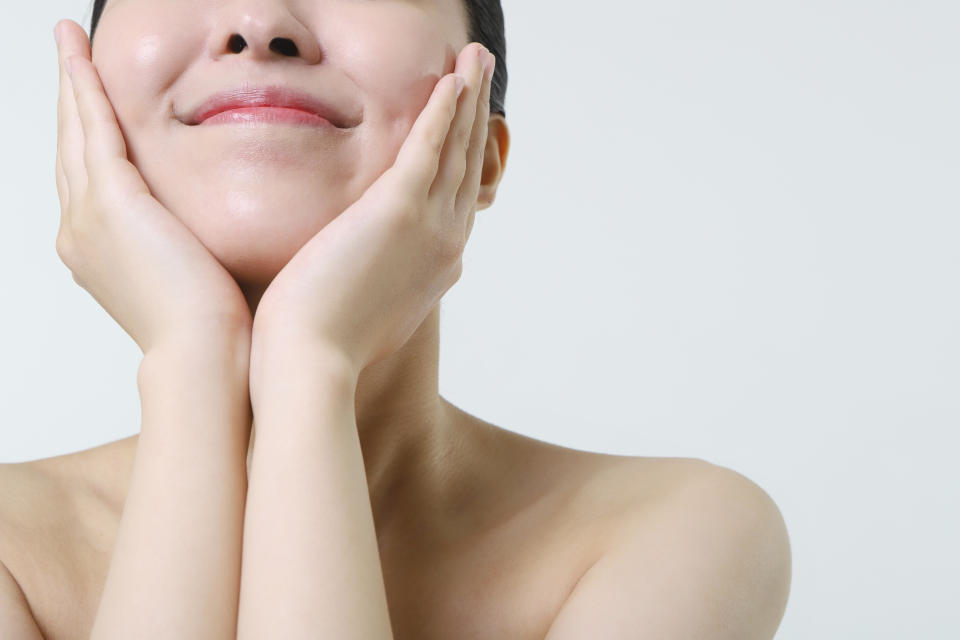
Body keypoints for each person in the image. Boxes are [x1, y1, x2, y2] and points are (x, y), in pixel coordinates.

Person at [0, 1, 791, 638]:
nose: (260, 22)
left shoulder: (670, 536)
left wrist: (309, 368)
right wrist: (190, 359)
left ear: (479, 148)